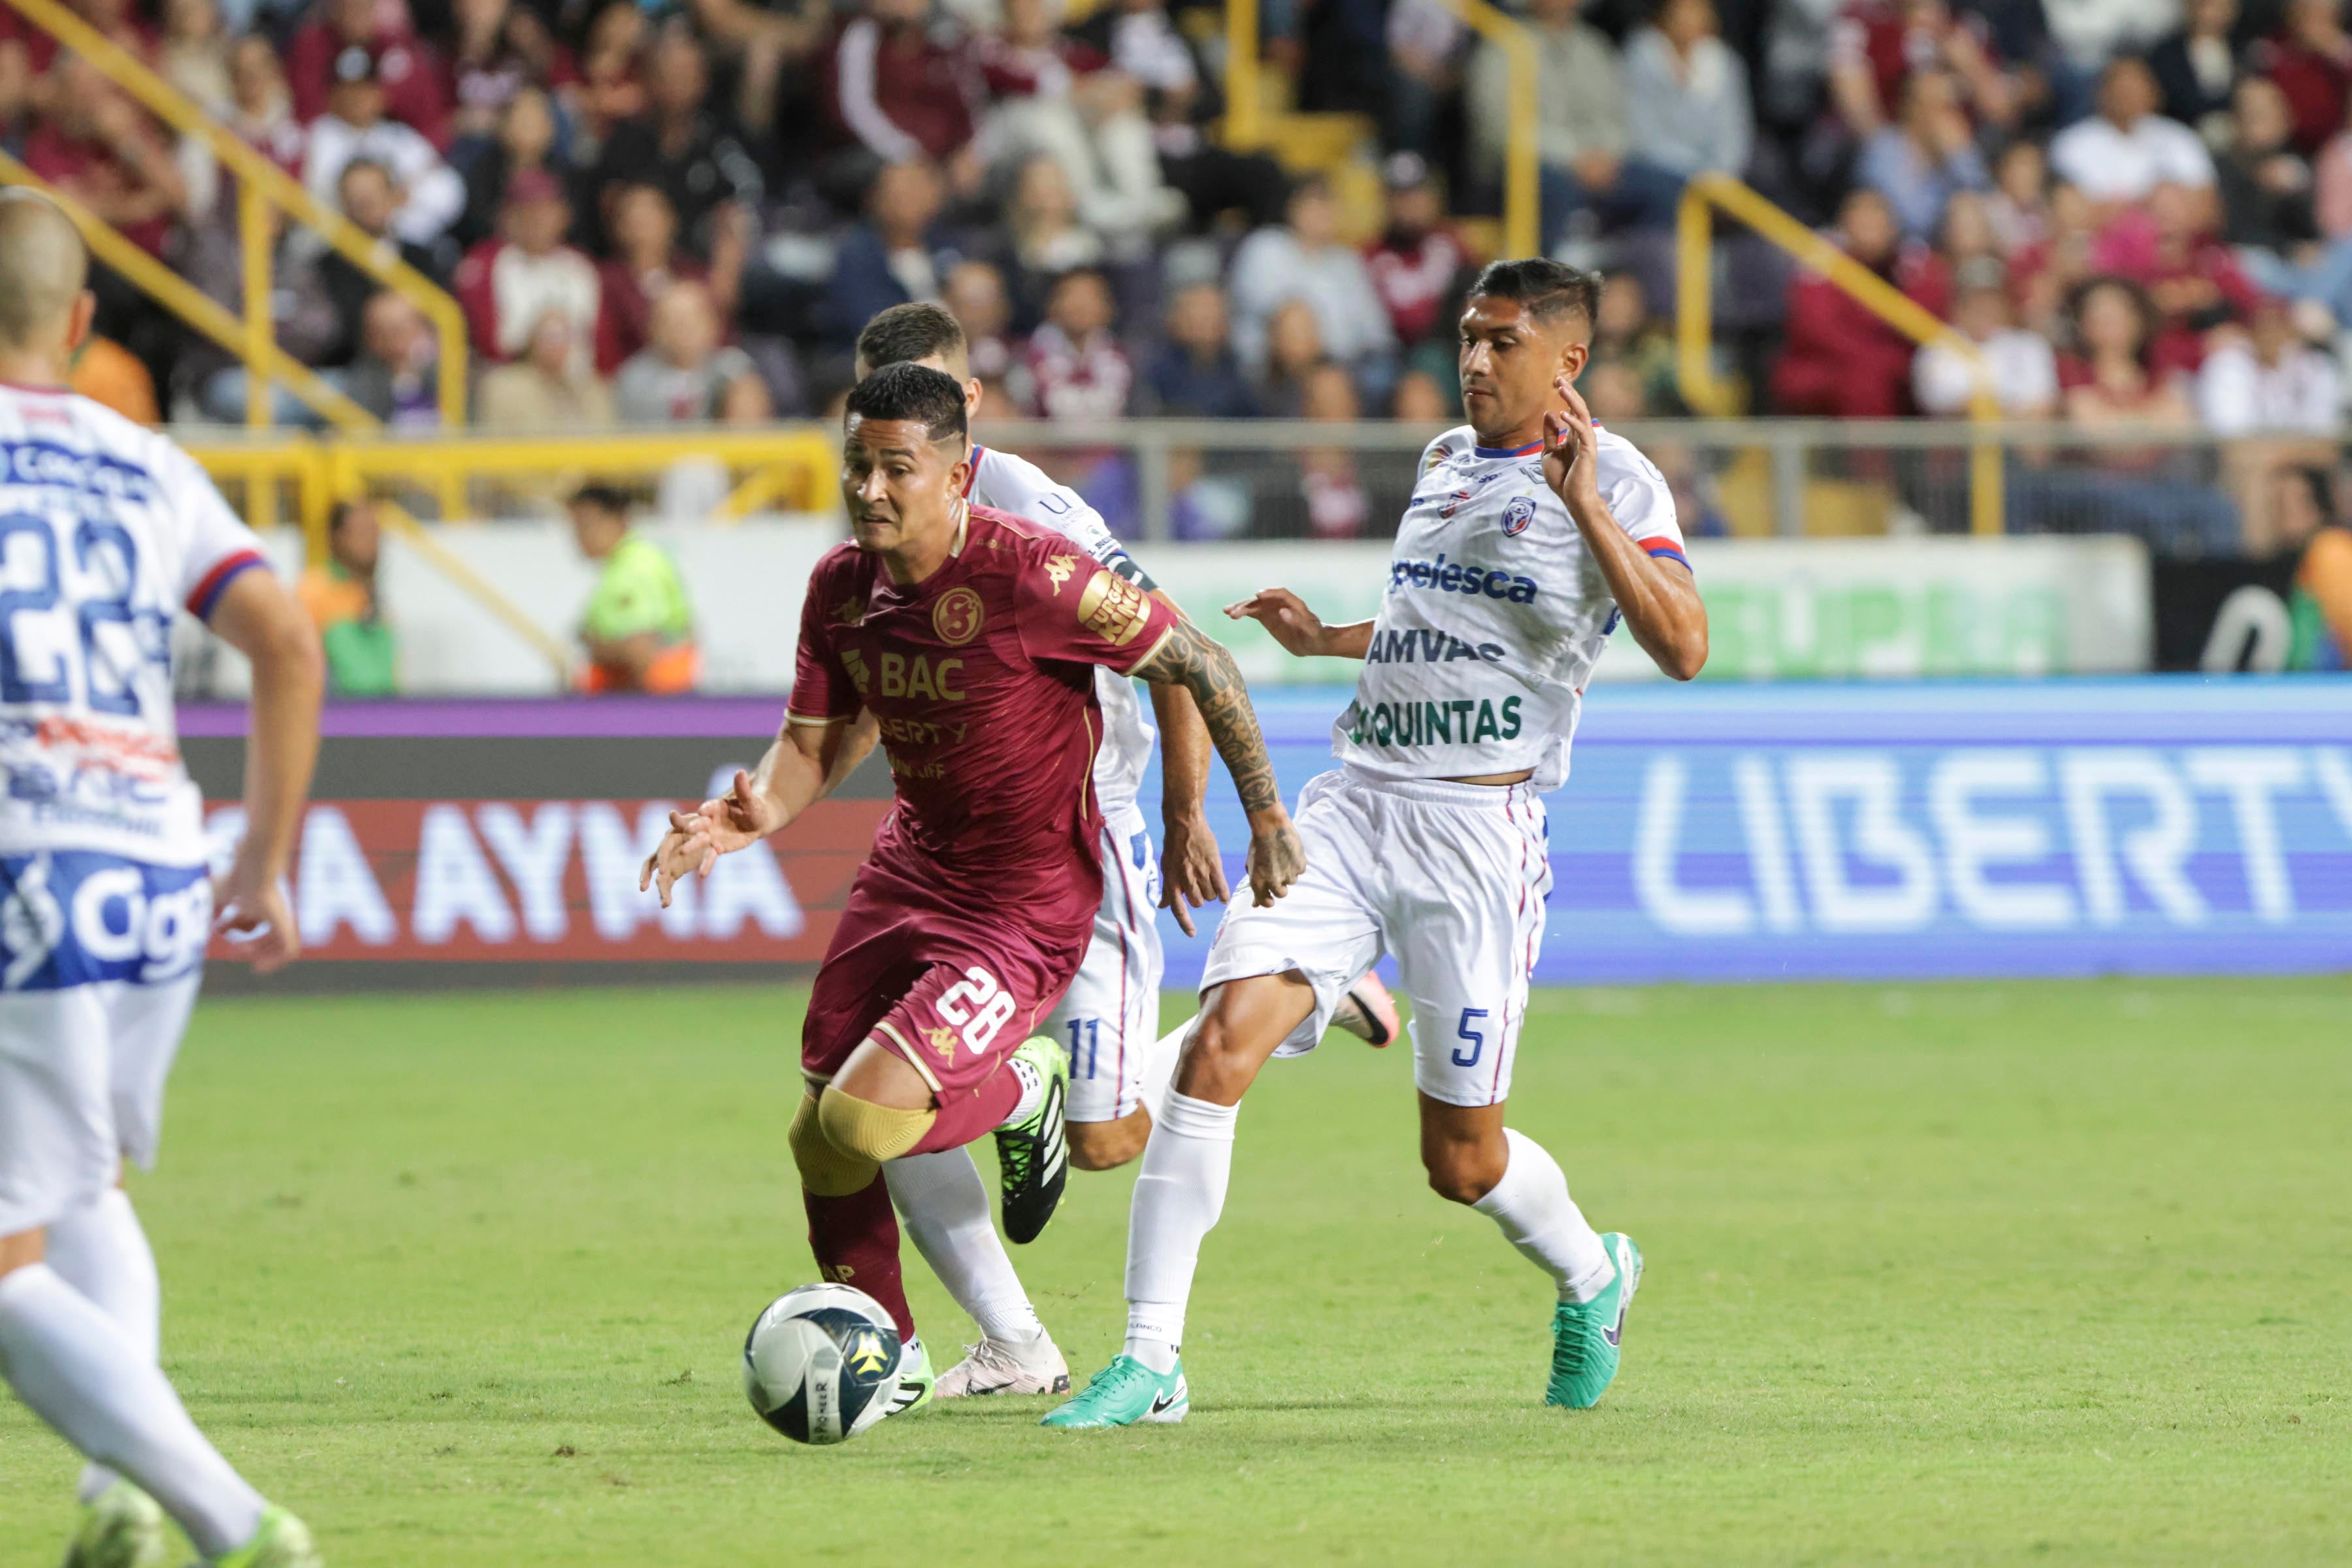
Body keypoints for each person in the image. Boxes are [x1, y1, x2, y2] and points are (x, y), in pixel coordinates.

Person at [1044, 257, 1707, 1429]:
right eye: (1466, 337)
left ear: (1570, 361)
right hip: (1352, 807)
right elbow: (1437, 623)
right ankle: (1153, 1360)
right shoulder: (1445, 460)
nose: (1473, 362)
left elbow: (1685, 647)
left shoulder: (1629, 488)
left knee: (1461, 1162)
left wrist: (1586, 502)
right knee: (1217, 1049)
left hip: (1474, 838)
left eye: (1502, 341)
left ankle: (1595, 1273)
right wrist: (1325, 638)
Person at [639, 361, 1305, 1420]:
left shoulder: (1036, 573)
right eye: (856, 465)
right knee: (818, 1131)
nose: (869, 488)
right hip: (909, 874)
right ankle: (889, 1347)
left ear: (957, 476)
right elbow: (810, 748)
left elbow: (1204, 664)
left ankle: (1023, 1085)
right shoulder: (841, 590)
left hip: (1028, 897)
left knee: (867, 1119)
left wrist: (1256, 817)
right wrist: (741, 817)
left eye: (895, 468)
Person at [848, 302, 1405, 1395]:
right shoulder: (885, 499)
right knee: (883, 1092)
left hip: (1079, 840)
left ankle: (1290, 992)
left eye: (918, 398)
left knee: (1105, 1140)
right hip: (960, 853)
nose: (889, 429)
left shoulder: (1027, 507)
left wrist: (1194, 808)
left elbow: (1175, 646)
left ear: (967, 406)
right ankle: (1013, 1344)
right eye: (872, 405)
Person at [0, 190, 326, 1568]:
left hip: (17, 858)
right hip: (153, 867)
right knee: (83, 1193)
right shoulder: (148, 462)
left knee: (8, 1261)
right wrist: (259, 857)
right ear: (79, 322)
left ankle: (230, 1523)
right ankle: (114, 1499)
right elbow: (287, 647)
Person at [566, 484, 698, 693]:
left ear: (619, 520)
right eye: (574, 527)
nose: (578, 537)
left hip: (651, 707)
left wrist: (592, 643)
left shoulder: (634, 570)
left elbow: (639, 651)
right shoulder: (628, 564)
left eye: (585, 525)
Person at [299, 498, 399, 695]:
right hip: (338, 719)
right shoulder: (312, 592)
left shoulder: (374, 597)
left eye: (376, 533)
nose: (373, 543)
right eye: (362, 533)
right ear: (336, 537)